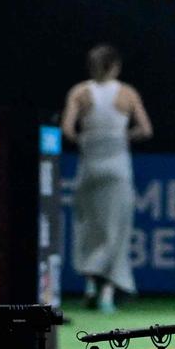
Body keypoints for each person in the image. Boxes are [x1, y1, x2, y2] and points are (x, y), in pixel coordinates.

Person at [62, 44, 152, 314]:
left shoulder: (79, 92)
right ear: (115, 66)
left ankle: (90, 284)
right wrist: (120, 138)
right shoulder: (127, 93)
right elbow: (145, 129)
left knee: (88, 224)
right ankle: (107, 294)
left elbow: (67, 129)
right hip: (117, 167)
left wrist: (87, 143)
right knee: (116, 229)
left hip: (89, 166)